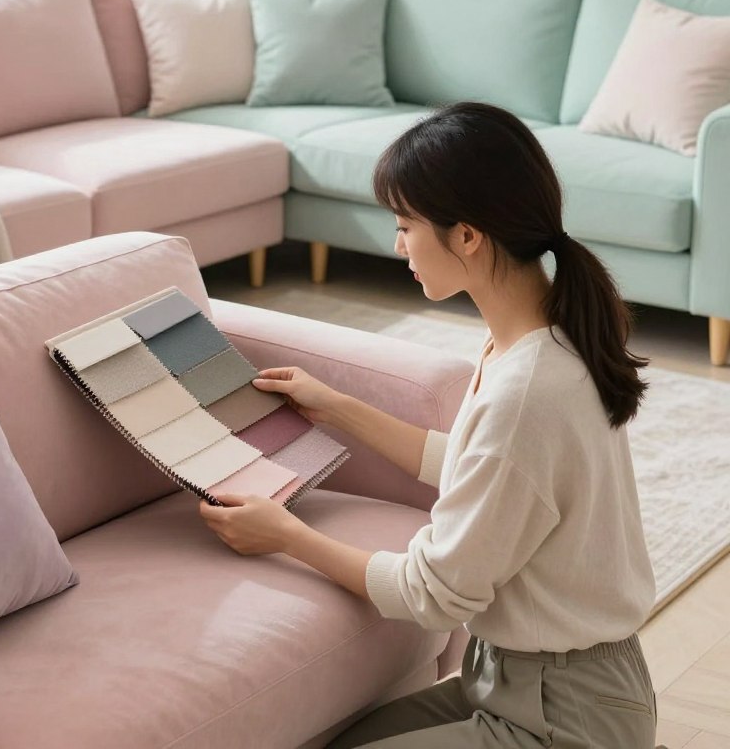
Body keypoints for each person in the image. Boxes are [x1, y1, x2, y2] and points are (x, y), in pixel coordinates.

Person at [199, 101, 661, 748]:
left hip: (566, 715)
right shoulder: (533, 341)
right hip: (515, 681)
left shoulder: (529, 392)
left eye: (405, 224)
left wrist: (284, 535)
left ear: (467, 235)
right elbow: (483, 471)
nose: (397, 245)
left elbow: (433, 594)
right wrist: (335, 406)